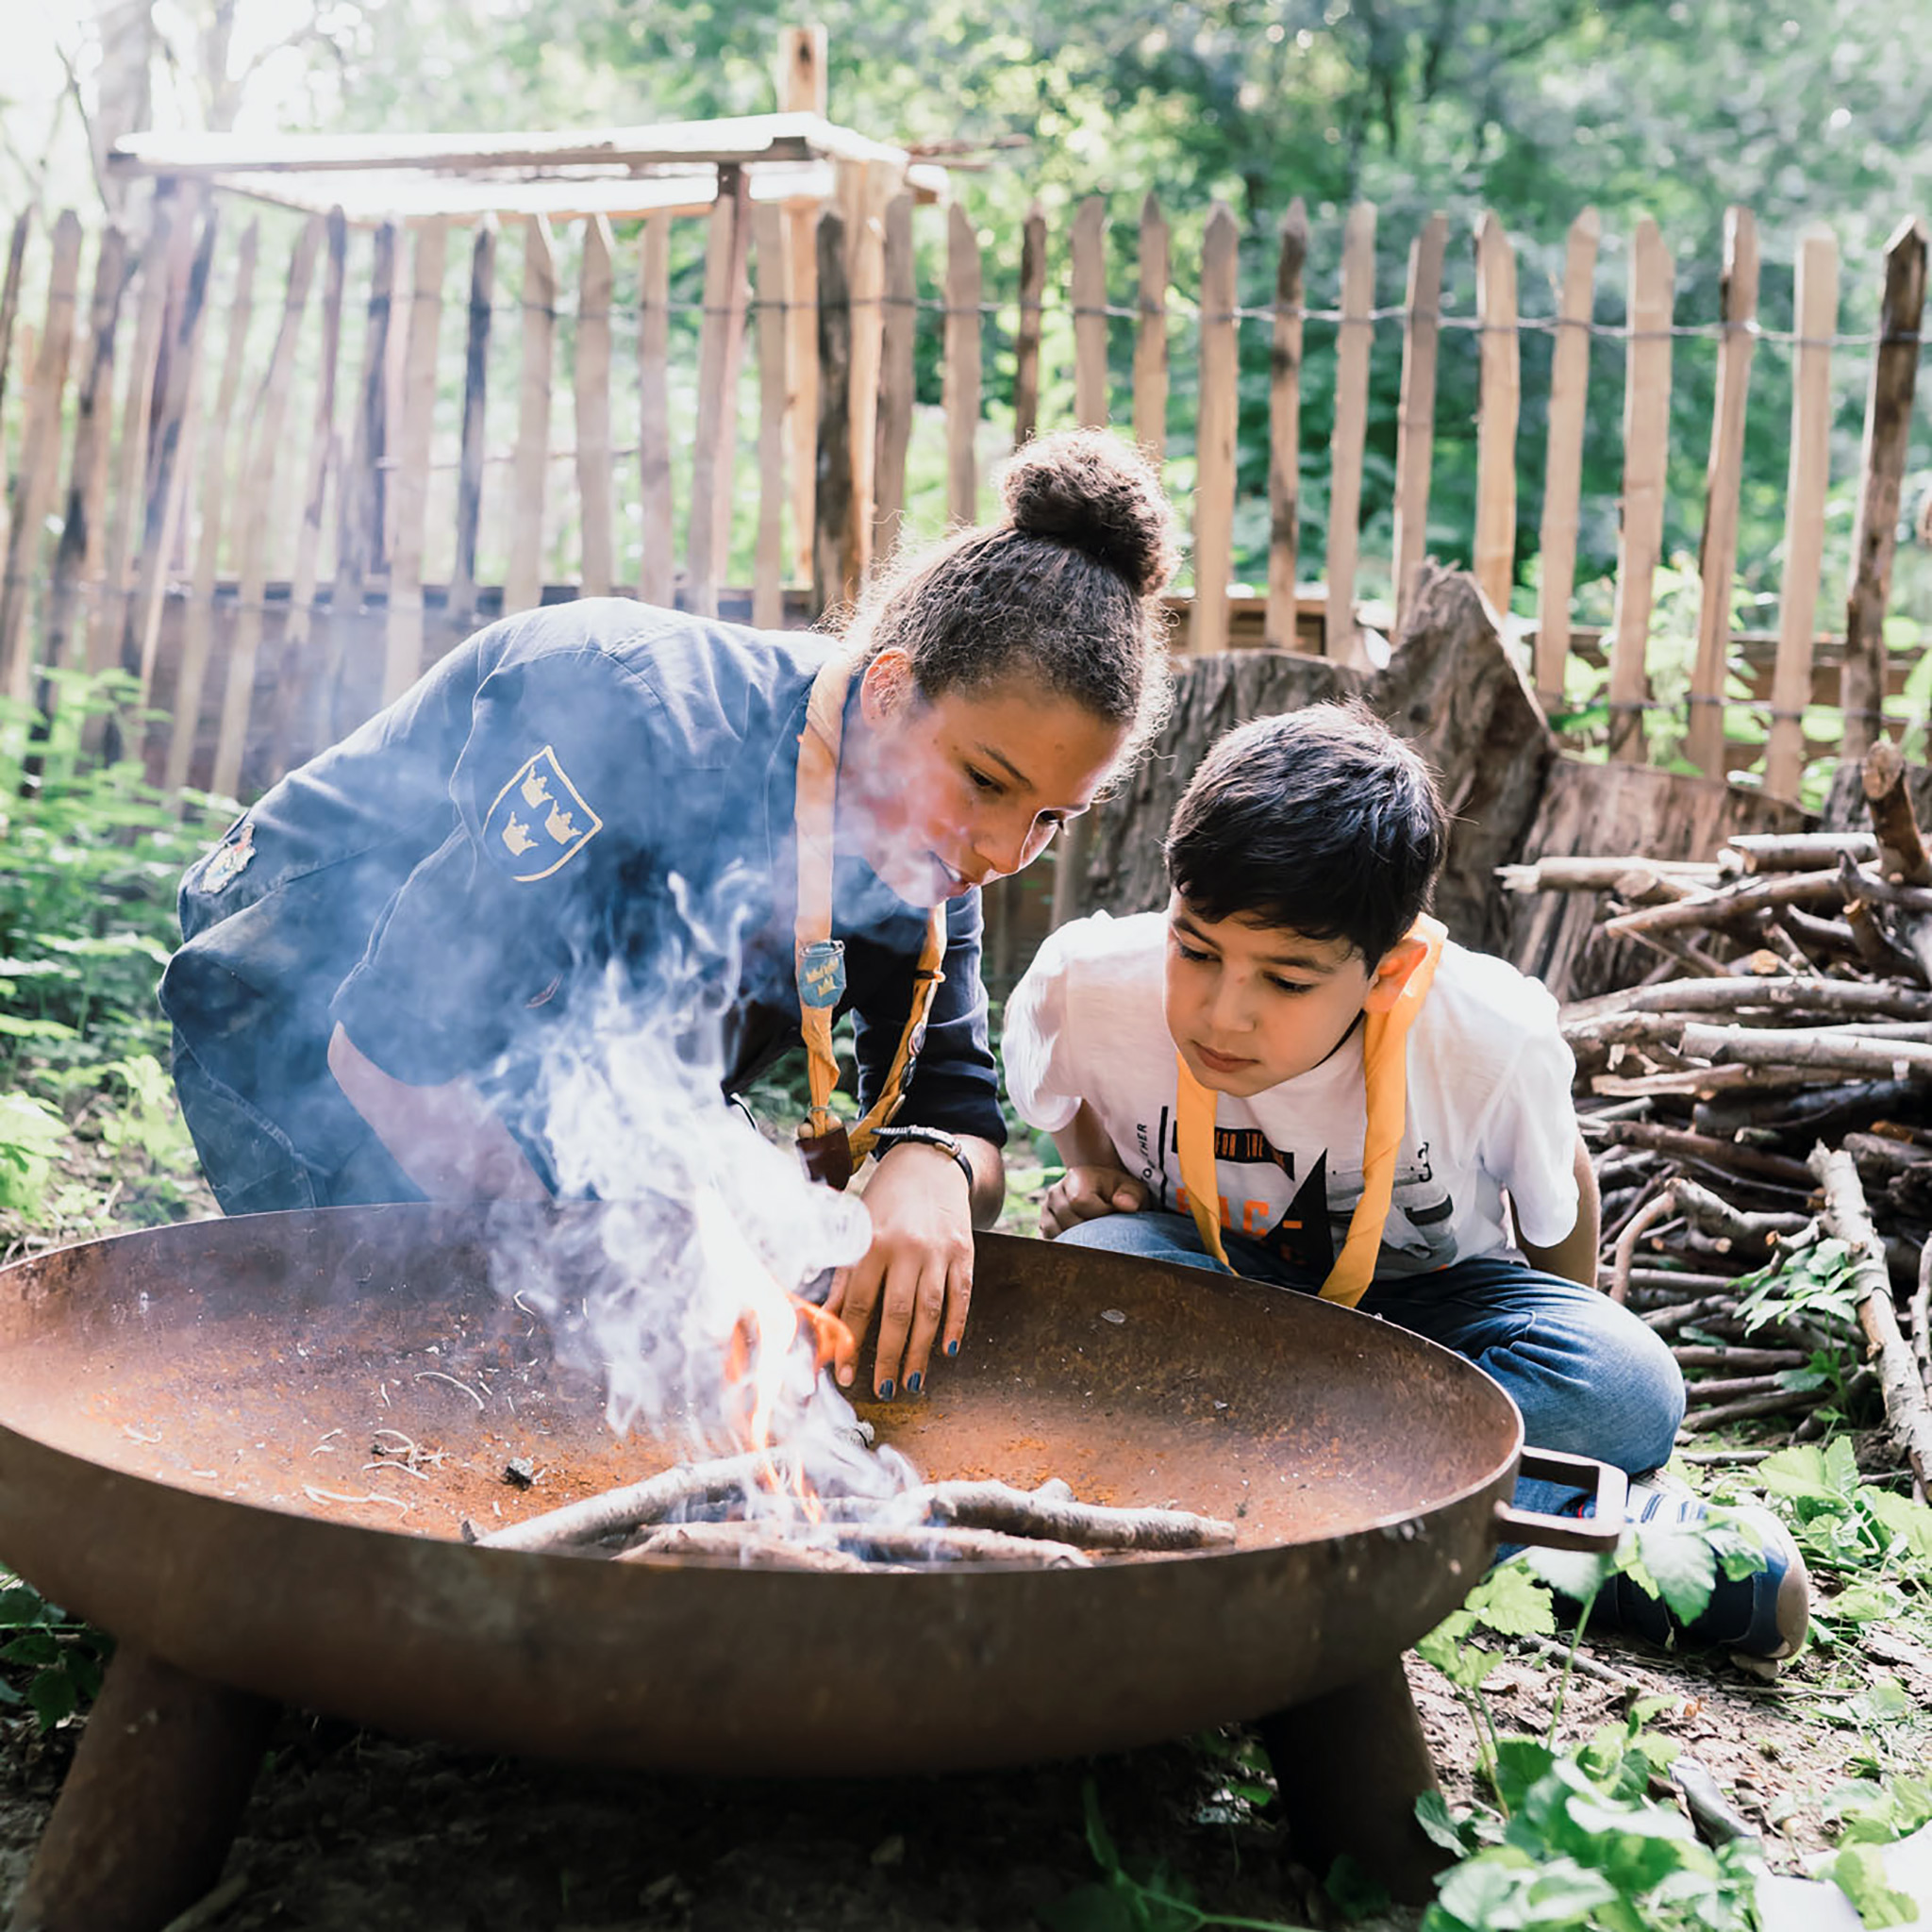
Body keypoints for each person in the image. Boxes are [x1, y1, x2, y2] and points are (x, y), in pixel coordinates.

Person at [161, 428, 1179, 1404]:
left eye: (1051, 817)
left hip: (561, 1067)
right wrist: (620, 1248)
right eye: (986, 781)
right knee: (435, 1348)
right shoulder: (624, 716)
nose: (1002, 853)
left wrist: (933, 1165)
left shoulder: (927, 872)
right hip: (305, 989)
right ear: (886, 693)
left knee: (684, 1312)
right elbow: (383, 1054)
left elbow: (955, 1113)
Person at [1002, 702, 1810, 1659]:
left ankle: (1212, 1480)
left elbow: (1562, 1205)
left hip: (1437, 1315)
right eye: (1195, 948)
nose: (1223, 1011)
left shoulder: (1490, 1032)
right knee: (1101, 1265)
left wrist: (1547, 1350)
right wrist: (1092, 1178)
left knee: (1623, 1382)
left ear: (1387, 970)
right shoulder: (1082, 981)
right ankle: (1530, 1525)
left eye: (1287, 980)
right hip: (1223, 1295)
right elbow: (1065, 1102)